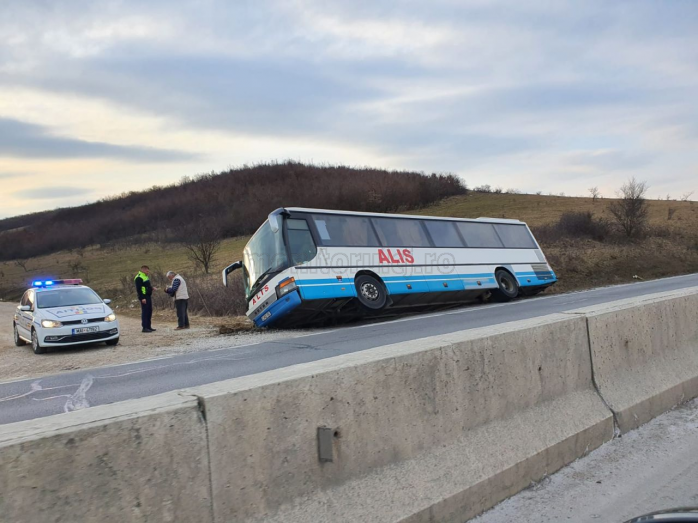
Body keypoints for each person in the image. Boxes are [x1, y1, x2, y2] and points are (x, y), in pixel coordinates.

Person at [134, 265, 157, 333]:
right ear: (143, 270)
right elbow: (139, 289)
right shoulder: (139, 277)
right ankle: (144, 327)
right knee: (145, 312)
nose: (148, 272)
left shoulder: (145, 276)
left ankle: (149, 326)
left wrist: (152, 288)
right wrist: (142, 298)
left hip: (148, 295)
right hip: (144, 297)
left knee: (149, 311)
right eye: (147, 271)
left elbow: (146, 285)